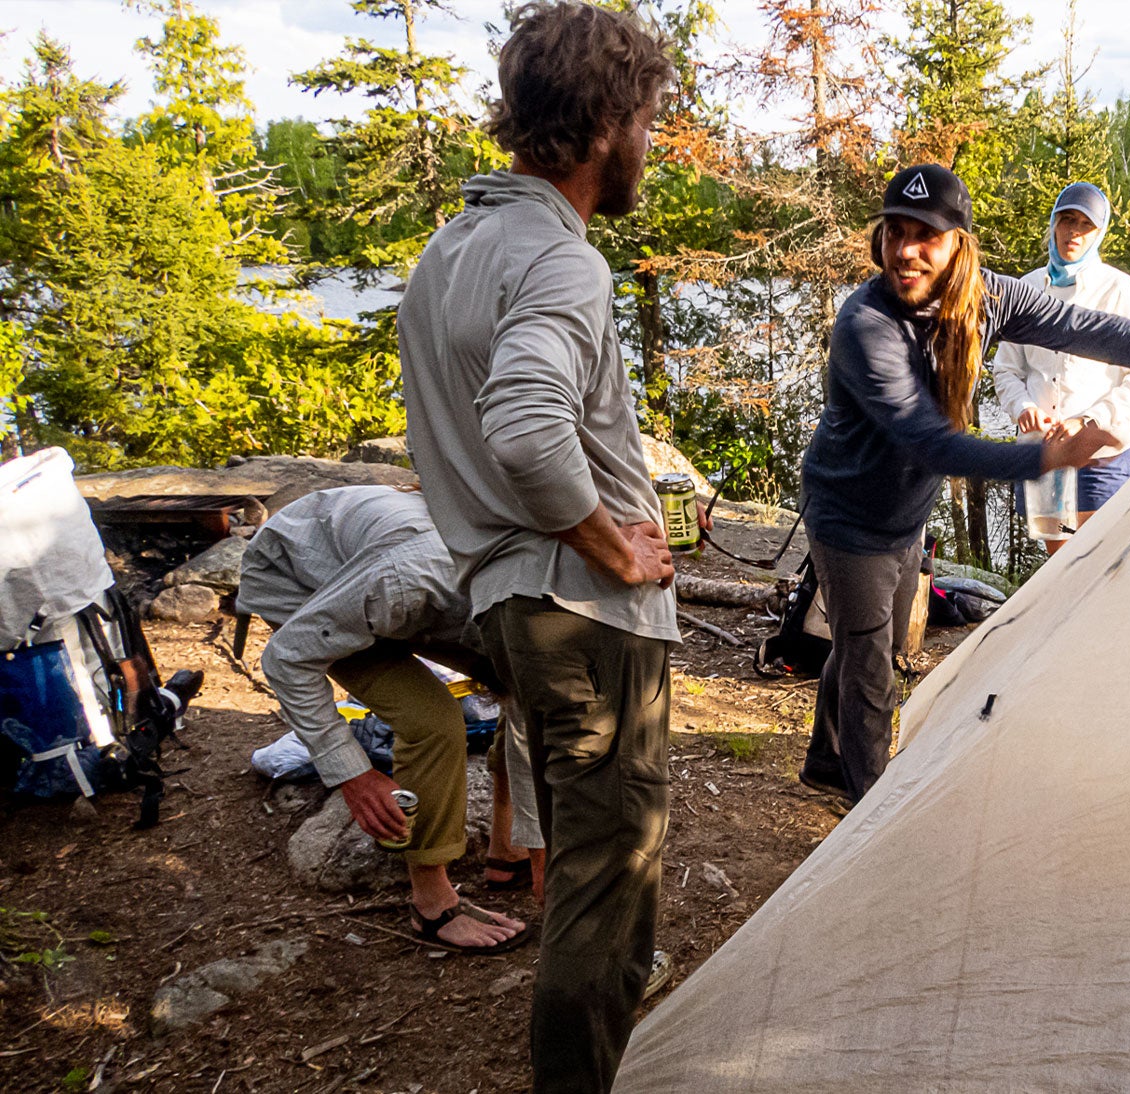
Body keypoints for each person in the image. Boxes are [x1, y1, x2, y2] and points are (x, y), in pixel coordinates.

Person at [395, 5, 678, 1092]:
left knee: (579, 858)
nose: (648, 141)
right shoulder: (562, 260)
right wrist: (607, 543)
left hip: (507, 606)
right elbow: (522, 422)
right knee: (611, 883)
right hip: (585, 613)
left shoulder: (450, 250)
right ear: (607, 121)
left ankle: (603, 1022)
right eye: (646, 116)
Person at [798, 163, 1130, 806]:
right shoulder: (867, 326)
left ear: (959, 244)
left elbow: (1086, 327)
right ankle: (869, 811)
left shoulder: (986, 296)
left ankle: (824, 758)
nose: (904, 250)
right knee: (872, 662)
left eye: (924, 235)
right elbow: (930, 441)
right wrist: (1042, 461)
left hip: (905, 509)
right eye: (894, 232)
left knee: (864, 636)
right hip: (849, 514)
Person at [239, 486, 540, 952]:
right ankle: (432, 904)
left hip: (393, 576)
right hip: (305, 578)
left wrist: (535, 838)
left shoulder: (538, 584)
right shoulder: (408, 582)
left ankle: (507, 851)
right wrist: (353, 775)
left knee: (522, 686)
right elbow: (287, 660)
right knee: (433, 719)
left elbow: (529, 709)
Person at [993, 182, 1130, 553]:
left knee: (1100, 565)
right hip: (1043, 451)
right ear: (1053, 224)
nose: (1074, 232)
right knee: (1057, 564)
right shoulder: (1027, 289)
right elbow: (1005, 370)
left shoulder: (1120, 290)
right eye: (1067, 220)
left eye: (1086, 225)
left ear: (1099, 233)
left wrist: (1089, 420)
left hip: (1101, 453)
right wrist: (1024, 409)